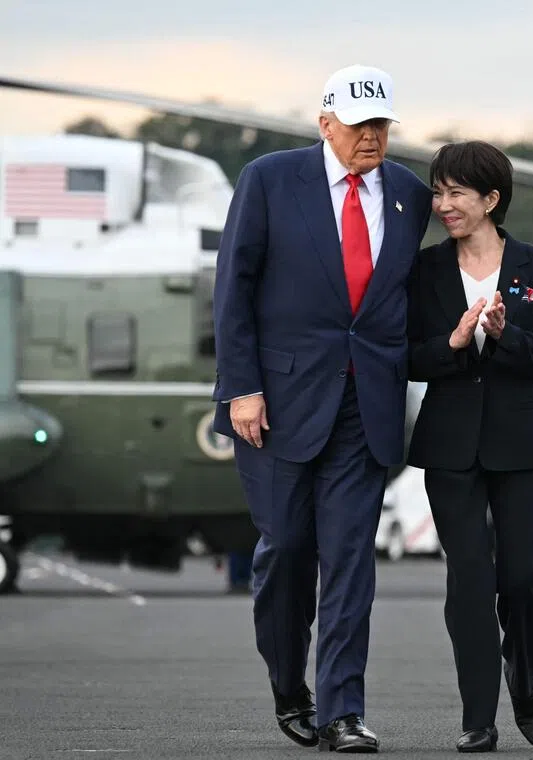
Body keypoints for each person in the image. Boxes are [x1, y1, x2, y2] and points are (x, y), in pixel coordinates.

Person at [212, 64, 433, 753]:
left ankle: (343, 711)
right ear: (326, 123)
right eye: (359, 124)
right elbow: (233, 288)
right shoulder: (271, 180)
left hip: (365, 404)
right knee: (285, 552)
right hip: (274, 402)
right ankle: (288, 685)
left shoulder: (406, 194)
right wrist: (240, 386)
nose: (372, 137)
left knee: (349, 558)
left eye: (382, 125)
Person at [405, 140, 533, 753]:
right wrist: (450, 344)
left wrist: (504, 336)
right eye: (438, 192)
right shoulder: (421, 270)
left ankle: (522, 678)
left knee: (521, 577)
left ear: (491, 199)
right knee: (468, 579)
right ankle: (479, 716)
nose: (443, 204)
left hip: (522, 443)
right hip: (449, 445)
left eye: (456, 193)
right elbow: (403, 356)